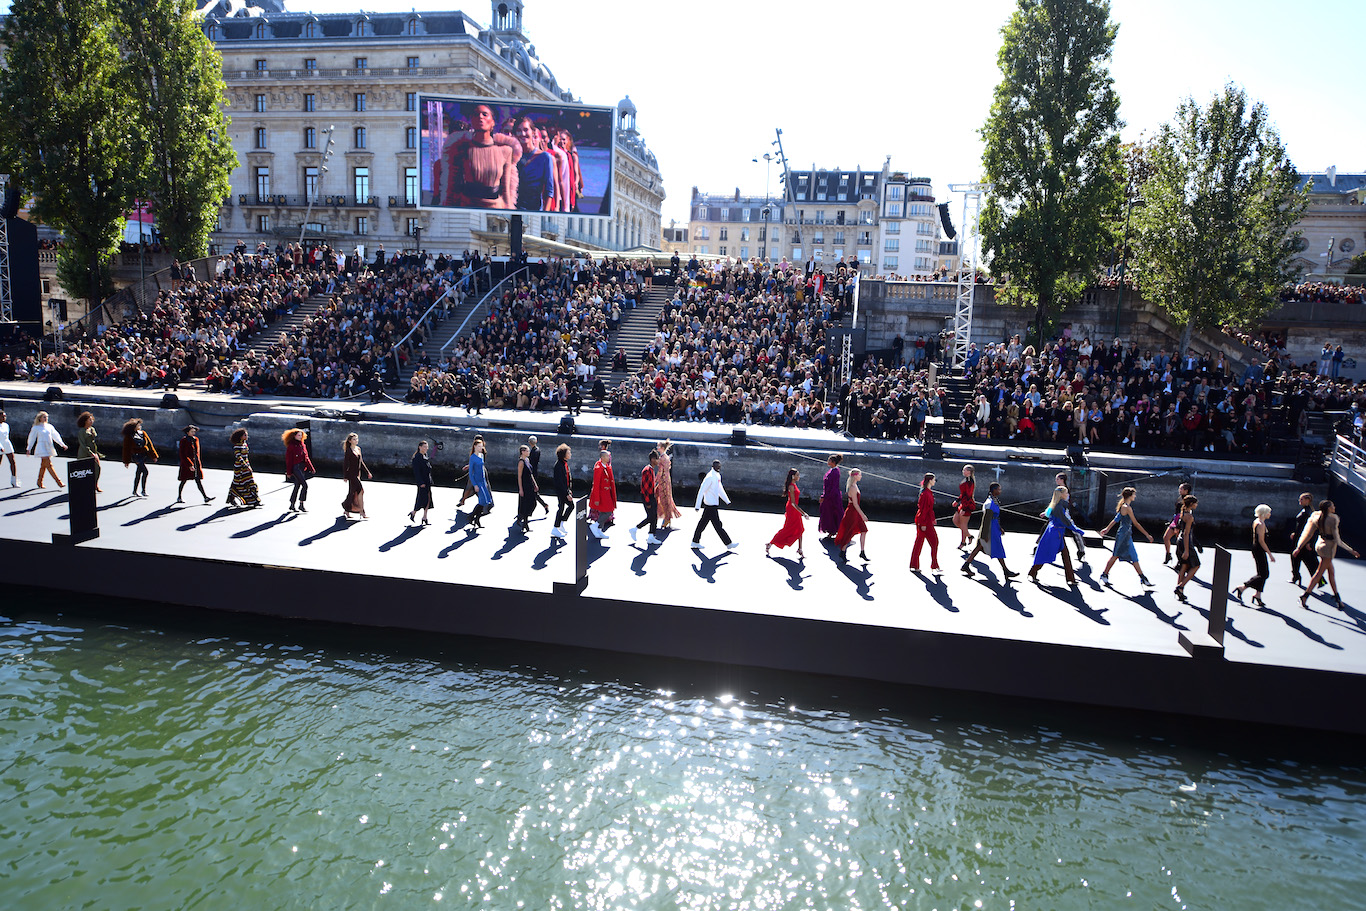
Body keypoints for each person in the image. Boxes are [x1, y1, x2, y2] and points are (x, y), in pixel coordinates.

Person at [430, 103, 520, 209]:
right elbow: (451, 187)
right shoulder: (461, 148)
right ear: (472, 120)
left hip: (496, 207)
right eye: (476, 114)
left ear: (493, 122)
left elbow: (507, 191)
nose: (480, 117)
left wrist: (509, 212)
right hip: (467, 205)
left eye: (485, 114)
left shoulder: (506, 151)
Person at [1296, 500, 1358, 611]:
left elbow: (1308, 534)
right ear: (1329, 508)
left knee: (1331, 572)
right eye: (1332, 506)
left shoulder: (1317, 516)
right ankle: (1305, 596)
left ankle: (1337, 597)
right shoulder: (1333, 519)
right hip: (1328, 549)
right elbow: (1338, 540)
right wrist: (1351, 550)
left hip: (1320, 545)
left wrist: (1299, 547)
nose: (1334, 507)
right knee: (1319, 573)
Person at [1098, 487, 1154, 587]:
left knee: (1131, 556)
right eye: (1134, 494)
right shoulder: (1127, 508)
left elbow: (1116, 519)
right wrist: (1147, 535)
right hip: (1124, 535)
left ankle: (1142, 577)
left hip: (1125, 534)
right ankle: (1105, 574)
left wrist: (1107, 529)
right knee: (1117, 555)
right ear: (1130, 496)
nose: (1135, 496)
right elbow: (1135, 523)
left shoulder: (1124, 506)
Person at [962, 482, 1015, 579]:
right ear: (994, 490)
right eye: (999, 489)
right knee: (995, 547)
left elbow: (995, 517)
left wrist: (1000, 527)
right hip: (990, 528)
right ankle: (1006, 571)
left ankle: (966, 565)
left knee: (980, 547)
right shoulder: (989, 503)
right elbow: (986, 520)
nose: (1000, 491)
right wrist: (984, 535)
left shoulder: (994, 501)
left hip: (994, 526)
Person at [1030, 487, 1080, 585]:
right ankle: (1032, 572)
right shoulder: (1059, 506)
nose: (1068, 494)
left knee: (1065, 555)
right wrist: (1075, 529)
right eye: (1066, 493)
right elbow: (1064, 520)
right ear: (1062, 495)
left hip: (1058, 533)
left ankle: (1071, 578)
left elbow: (1052, 514)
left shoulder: (1058, 505)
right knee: (1046, 554)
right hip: (1054, 534)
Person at [1233, 504, 1275, 608]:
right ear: (1264, 513)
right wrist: (1270, 554)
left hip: (1256, 549)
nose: (1270, 514)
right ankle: (1243, 587)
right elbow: (1261, 541)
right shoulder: (1260, 524)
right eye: (1269, 512)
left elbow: (1254, 539)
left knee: (1262, 573)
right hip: (1259, 549)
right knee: (1264, 574)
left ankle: (1258, 595)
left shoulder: (1257, 522)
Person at [692, 459, 737, 550]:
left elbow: (720, 489)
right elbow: (701, 491)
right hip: (710, 505)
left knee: (702, 524)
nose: (719, 468)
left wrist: (727, 501)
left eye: (719, 467)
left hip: (713, 505)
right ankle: (728, 543)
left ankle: (695, 541)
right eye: (717, 467)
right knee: (717, 526)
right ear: (713, 467)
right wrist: (697, 506)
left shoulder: (717, 475)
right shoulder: (709, 477)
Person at [512, 114, 554, 210]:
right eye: (519, 131)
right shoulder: (511, 156)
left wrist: (544, 215)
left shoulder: (545, 157)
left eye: (526, 130)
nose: (523, 134)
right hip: (513, 210)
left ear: (533, 132)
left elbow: (549, 191)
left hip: (534, 211)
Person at [766, 468, 807, 558]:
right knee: (787, 529)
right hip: (792, 509)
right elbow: (793, 503)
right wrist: (803, 513)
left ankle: (800, 549)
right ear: (793, 476)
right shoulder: (791, 486)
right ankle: (770, 543)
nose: (799, 477)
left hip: (794, 508)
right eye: (797, 475)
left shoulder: (794, 484)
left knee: (800, 528)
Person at [833, 468, 869, 562]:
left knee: (864, 530)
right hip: (852, 512)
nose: (861, 476)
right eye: (860, 475)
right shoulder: (853, 488)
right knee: (849, 532)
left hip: (855, 511)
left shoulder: (855, 486)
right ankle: (843, 551)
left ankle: (862, 552)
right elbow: (855, 504)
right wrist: (863, 515)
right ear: (856, 476)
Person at [26, 411, 67, 489]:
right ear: (40, 418)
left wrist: (62, 444)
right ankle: (59, 482)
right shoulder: (36, 427)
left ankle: (39, 482)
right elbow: (32, 438)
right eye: (44, 417)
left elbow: (55, 435)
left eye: (47, 417)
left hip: (48, 446)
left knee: (43, 465)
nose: (46, 418)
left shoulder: (49, 426)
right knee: (49, 464)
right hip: (41, 447)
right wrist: (29, 448)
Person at [630, 450, 662, 545]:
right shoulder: (647, 471)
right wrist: (648, 502)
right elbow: (645, 488)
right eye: (657, 459)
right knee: (651, 517)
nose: (658, 461)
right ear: (652, 459)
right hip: (647, 496)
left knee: (654, 517)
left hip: (651, 496)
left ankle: (651, 536)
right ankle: (635, 529)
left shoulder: (650, 470)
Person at [120, 418, 157, 498]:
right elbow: (126, 449)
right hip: (136, 456)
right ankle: (143, 491)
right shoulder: (129, 436)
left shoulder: (143, 433)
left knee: (139, 473)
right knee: (145, 472)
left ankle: (135, 491)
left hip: (143, 455)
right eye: (138, 425)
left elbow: (150, 445)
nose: (140, 426)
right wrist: (126, 461)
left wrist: (154, 456)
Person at [226, 428, 262, 508]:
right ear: (240, 436)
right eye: (245, 435)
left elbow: (246, 457)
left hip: (247, 466)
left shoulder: (245, 444)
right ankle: (233, 496)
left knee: (250, 483)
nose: (247, 436)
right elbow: (239, 457)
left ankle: (255, 500)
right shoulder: (237, 446)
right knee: (239, 484)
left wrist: (249, 465)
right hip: (240, 468)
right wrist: (246, 466)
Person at [1289, 492, 1319, 587]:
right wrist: (1295, 533)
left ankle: (1318, 578)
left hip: (1303, 539)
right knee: (1298, 558)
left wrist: (1309, 542)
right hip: (1299, 537)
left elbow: (1310, 529)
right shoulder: (1305, 511)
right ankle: (1296, 576)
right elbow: (1300, 526)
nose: (1299, 501)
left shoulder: (1308, 513)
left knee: (1304, 558)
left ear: (1307, 500)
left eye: (1301, 499)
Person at [1173, 495, 1200, 600]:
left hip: (1180, 541)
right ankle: (1180, 586)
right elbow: (1186, 533)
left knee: (1184, 566)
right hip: (1186, 542)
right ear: (1192, 504)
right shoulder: (1189, 517)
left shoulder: (1182, 513)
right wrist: (1187, 551)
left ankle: (1180, 592)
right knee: (1196, 565)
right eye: (1196, 503)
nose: (1197, 505)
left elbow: (1179, 530)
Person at [910, 472, 939, 571]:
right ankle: (934, 565)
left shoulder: (927, 492)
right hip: (924, 521)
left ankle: (915, 564)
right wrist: (923, 523)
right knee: (934, 542)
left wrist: (932, 518)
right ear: (930, 481)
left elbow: (928, 509)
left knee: (919, 542)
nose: (935, 481)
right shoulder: (926, 493)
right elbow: (924, 509)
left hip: (924, 520)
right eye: (934, 480)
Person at [176, 425, 212, 504]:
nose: (193, 433)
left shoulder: (196, 439)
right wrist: (189, 465)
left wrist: (197, 463)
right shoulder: (184, 440)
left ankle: (205, 497)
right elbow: (183, 454)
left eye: (194, 431)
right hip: (186, 464)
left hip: (196, 463)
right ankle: (179, 497)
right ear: (187, 432)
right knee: (183, 480)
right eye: (192, 431)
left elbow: (197, 453)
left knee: (198, 480)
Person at [340, 432, 372, 519]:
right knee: (361, 491)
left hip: (358, 474)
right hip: (351, 475)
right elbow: (345, 464)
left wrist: (367, 472)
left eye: (357, 439)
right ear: (350, 441)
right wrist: (345, 476)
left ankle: (346, 508)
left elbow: (361, 462)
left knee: (352, 492)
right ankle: (362, 512)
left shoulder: (358, 449)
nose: (356, 440)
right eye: (354, 439)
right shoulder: (349, 451)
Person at [282, 428, 314, 512]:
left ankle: (292, 504)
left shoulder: (302, 445)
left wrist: (311, 468)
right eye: (298, 435)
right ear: (294, 436)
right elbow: (288, 460)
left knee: (297, 485)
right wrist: (288, 472)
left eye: (301, 435)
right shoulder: (291, 446)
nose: (300, 437)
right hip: (295, 468)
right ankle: (301, 504)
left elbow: (306, 458)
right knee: (305, 485)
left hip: (302, 467)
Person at [1163, 482, 1194, 565]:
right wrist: (1171, 521)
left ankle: (1180, 560)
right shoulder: (1180, 498)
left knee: (1179, 542)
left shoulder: (1187, 500)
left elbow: (1184, 513)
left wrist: (1178, 525)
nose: (1179, 490)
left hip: (1180, 523)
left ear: (1186, 490)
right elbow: (1176, 512)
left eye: (1181, 489)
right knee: (1166, 537)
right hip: (1175, 520)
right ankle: (1168, 554)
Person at [588, 448, 616, 539]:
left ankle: (599, 529)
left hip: (607, 493)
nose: (609, 457)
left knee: (607, 511)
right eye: (607, 456)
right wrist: (596, 498)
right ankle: (596, 525)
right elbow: (596, 484)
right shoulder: (599, 468)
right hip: (602, 494)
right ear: (603, 457)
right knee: (607, 511)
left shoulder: (606, 467)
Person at [655, 439, 682, 529]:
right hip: (667, 480)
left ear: (662, 448)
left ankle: (666, 517)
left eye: (658, 447)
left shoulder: (662, 458)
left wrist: (655, 481)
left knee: (663, 499)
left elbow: (660, 471)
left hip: (663, 481)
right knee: (665, 498)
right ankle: (665, 516)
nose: (657, 448)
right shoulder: (666, 457)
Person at [467, 437, 494, 528]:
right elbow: (471, 473)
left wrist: (485, 482)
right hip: (477, 481)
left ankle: (476, 519)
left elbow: (482, 469)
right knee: (482, 501)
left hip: (483, 481)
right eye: (479, 446)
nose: (480, 448)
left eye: (481, 446)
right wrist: (475, 485)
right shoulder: (472, 457)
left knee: (486, 501)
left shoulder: (481, 455)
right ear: (474, 446)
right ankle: (473, 517)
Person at [74, 412, 103, 493]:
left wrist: (95, 452)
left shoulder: (92, 429)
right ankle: (84, 486)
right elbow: (83, 444)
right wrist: (90, 453)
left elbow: (93, 439)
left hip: (93, 451)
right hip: (84, 453)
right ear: (85, 421)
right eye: (89, 420)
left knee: (97, 468)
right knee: (84, 470)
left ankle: (95, 485)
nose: (91, 421)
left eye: (92, 420)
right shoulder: (82, 431)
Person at [818, 454, 845, 538]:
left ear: (833, 462)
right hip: (829, 495)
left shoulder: (835, 472)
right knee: (828, 513)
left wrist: (825, 496)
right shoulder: (832, 470)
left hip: (832, 496)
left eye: (829, 460)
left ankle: (834, 530)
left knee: (833, 512)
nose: (828, 462)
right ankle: (831, 530)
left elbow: (833, 486)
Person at [408, 440, 434, 525]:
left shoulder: (425, 456)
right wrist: (420, 482)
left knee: (428, 500)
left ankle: (425, 516)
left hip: (427, 481)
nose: (426, 448)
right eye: (424, 447)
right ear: (420, 447)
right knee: (421, 499)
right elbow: (417, 472)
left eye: (427, 447)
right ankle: (414, 512)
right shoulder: (417, 458)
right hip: (422, 482)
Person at [551, 443, 573, 539]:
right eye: (569, 452)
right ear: (564, 454)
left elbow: (568, 479)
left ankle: (560, 523)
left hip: (564, 490)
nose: (570, 454)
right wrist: (566, 493)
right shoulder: (559, 465)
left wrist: (569, 490)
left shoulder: (564, 463)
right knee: (562, 507)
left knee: (568, 507)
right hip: (561, 491)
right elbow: (560, 481)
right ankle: (556, 527)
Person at [515, 443, 538, 532]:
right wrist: (520, 489)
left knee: (533, 503)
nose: (529, 452)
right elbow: (519, 476)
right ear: (523, 452)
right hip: (524, 485)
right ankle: (525, 523)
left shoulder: (527, 460)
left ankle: (523, 519)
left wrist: (535, 484)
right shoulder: (521, 462)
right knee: (525, 504)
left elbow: (531, 473)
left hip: (530, 484)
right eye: (527, 451)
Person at [953, 464, 976, 549]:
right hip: (963, 503)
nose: (963, 471)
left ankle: (963, 542)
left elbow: (968, 495)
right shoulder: (966, 480)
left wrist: (965, 508)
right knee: (956, 521)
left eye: (964, 470)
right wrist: (957, 500)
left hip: (967, 505)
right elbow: (963, 494)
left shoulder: (970, 482)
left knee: (963, 524)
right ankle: (969, 536)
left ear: (969, 472)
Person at [527, 436, 550, 515]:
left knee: (533, 493)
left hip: (533, 474)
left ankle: (529, 511)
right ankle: (544, 505)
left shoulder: (534, 451)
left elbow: (531, 463)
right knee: (534, 493)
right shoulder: (537, 450)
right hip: (534, 472)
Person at [0, 410, 16, 488]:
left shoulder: (6, 425)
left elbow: (6, 436)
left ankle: (14, 480)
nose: (4, 417)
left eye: (5, 416)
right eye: (2, 416)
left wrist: (7, 445)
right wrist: (0, 447)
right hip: (0, 445)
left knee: (12, 461)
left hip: (7, 444)